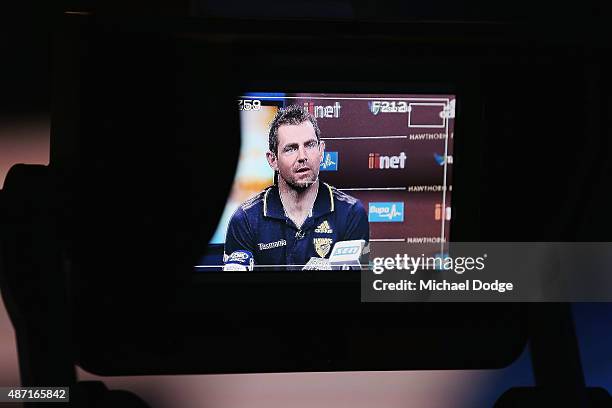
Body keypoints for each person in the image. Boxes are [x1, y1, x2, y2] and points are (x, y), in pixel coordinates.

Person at [224, 104, 369, 268]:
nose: (302, 156)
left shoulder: (351, 213)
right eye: (291, 148)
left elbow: (361, 286)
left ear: (321, 151)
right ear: (272, 160)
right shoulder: (245, 220)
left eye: (310, 145)